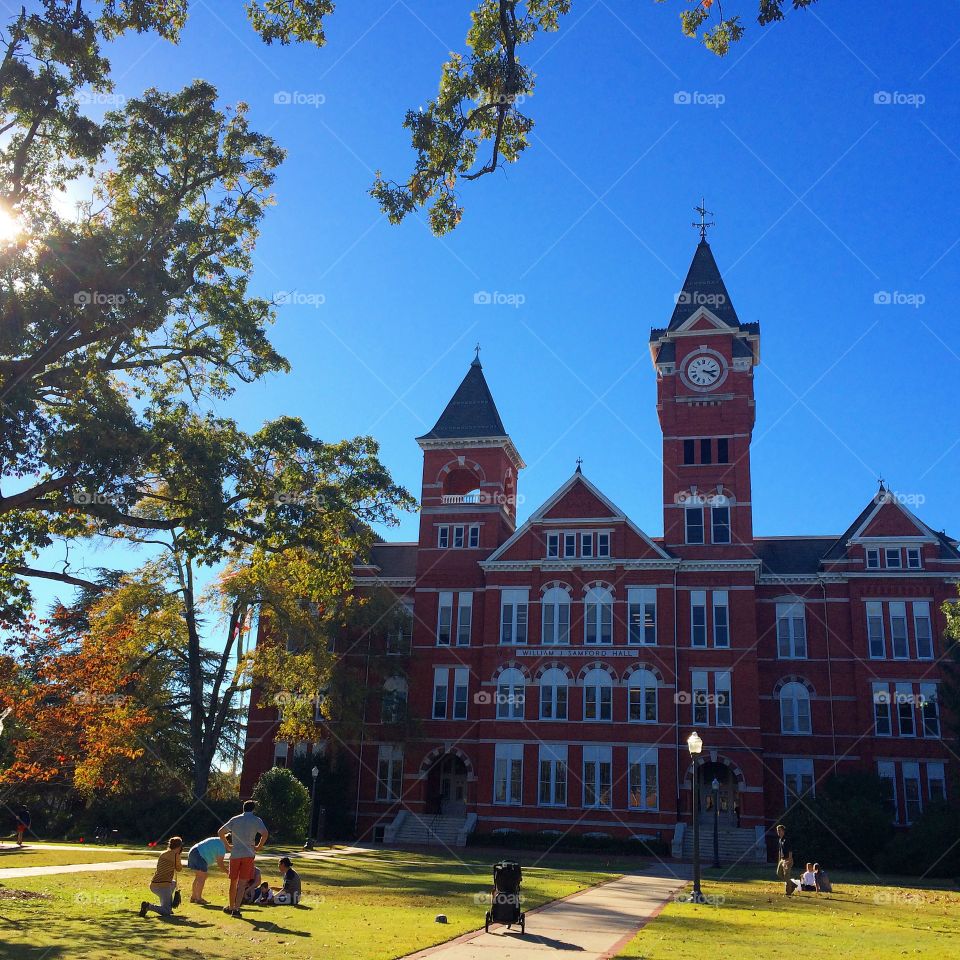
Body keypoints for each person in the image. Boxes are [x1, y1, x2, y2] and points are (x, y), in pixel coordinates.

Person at [218, 800, 269, 917]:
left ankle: (231, 906)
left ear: (243, 808)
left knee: (233, 882)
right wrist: (258, 846)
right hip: (248, 854)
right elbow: (265, 833)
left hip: (235, 853)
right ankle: (236, 909)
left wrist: (228, 845)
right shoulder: (256, 820)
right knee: (242, 883)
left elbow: (220, 832)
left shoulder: (235, 819)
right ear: (253, 809)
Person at [139, 836, 183, 917]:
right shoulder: (176, 855)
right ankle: (148, 906)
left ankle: (165, 904)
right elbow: (179, 869)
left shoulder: (163, 853)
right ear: (179, 847)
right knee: (167, 911)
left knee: (173, 883)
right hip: (163, 886)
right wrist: (178, 857)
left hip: (153, 885)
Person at [186, 835, 228, 903]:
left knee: (198, 877)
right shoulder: (222, 846)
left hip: (192, 851)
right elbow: (220, 863)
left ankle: (194, 897)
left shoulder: (217, 839)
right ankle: (199, 898)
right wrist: (228, 872)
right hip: (199, 855)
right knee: (202, 877)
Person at [775, 824, 794, 896]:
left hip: (787, 859)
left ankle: (788, 892)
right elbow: (780, 851)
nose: (778, 832)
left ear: (783, 831)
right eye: (777, 831)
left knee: (786, 876)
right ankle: (792, 884)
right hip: (782, 860)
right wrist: (779, 860)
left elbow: (790, 850)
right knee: (778, 873)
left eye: (779, 830)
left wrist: (789, 860)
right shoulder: (780, 840)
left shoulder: (786, 840)